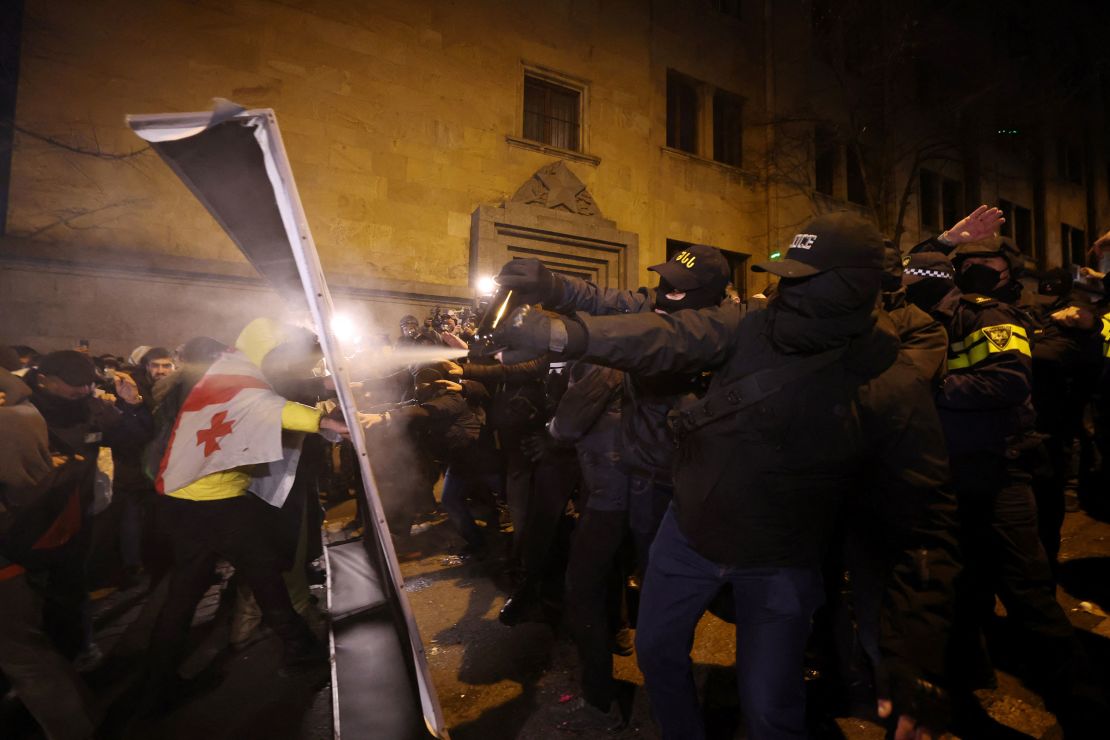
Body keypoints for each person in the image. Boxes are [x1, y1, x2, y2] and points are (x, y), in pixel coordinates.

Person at [496, 211, 959, 740]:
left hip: (781, 561)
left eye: (803, 277)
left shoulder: (891, 384)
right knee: (657, 656)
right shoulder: (750, 325)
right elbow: (661, 333)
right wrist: (558, 331)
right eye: (786, 272)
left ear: (852, 286)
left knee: (769, 709)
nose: (785, 286)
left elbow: (925, 522)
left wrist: (916, 654)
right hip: (687, 536)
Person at [902, 249, 1108, 736]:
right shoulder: (932, 317)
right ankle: (962, 688)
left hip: (998, 475)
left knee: (1028, 595)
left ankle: (1085, 710)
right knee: (959, 588)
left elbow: (1008, 382)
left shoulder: (985, 314)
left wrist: (927, 388)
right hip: (952, 474)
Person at [142, 319, 349, 713]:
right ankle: (301, 651)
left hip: (180, 502)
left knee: (184, 596)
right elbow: (270, 407)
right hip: (218, 502)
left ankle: (156, 688)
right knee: (265, 574)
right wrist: (324, 421)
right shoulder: (236, 383)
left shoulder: (206, 381)